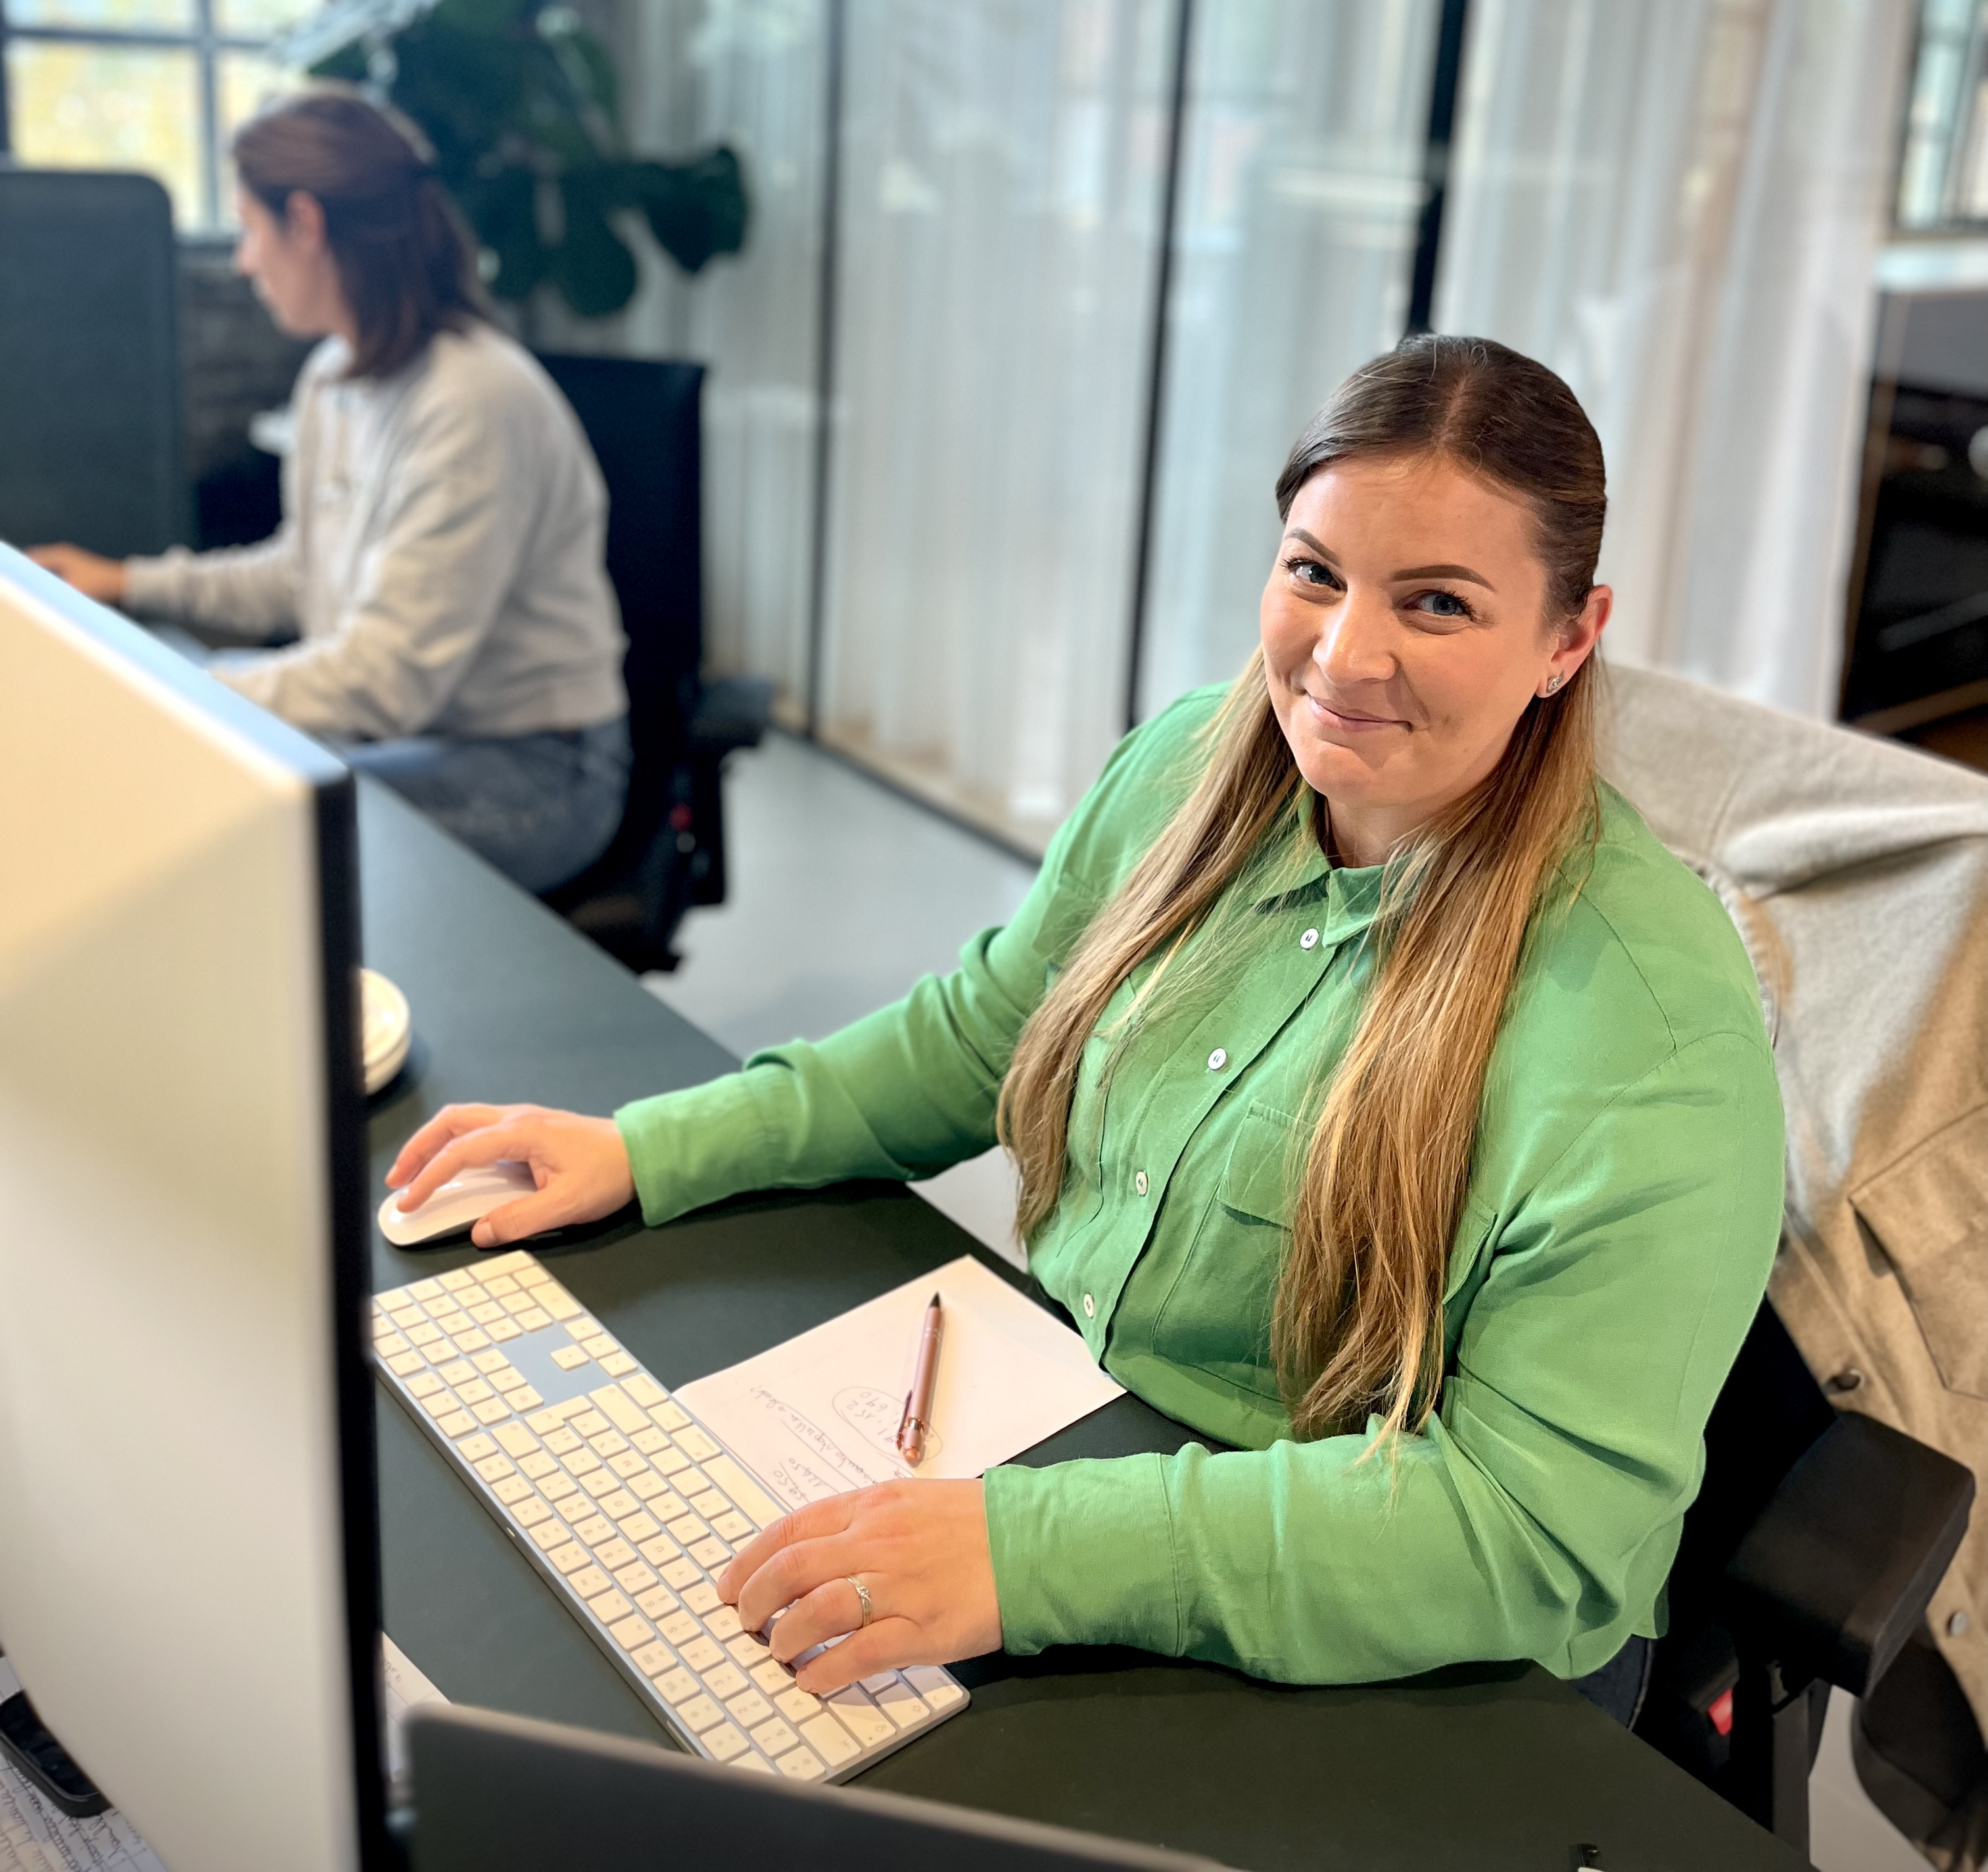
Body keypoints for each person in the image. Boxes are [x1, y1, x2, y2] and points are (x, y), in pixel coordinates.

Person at [383, 335, 1784, 1721]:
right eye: (1315, 573)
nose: (1347, 655)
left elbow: (1524, 1535)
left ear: (1569, 638)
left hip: (1433, 1654)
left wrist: (1027, 1552)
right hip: (1092, 1439)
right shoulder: (1196, 760)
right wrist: (655, 1147)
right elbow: (988, 1029)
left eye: (1437, 605)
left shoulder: (1652, 1032)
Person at [32, 87, 630, 896]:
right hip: (417, 737)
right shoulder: (337, 374)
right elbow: (302, 571)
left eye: (249, 229)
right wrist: (130, 582)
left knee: (235, 820)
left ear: (307, 224)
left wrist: (171, 702)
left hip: (538, 770)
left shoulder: (473, 401)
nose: (243, 261)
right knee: (216, 770)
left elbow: (386, 680)